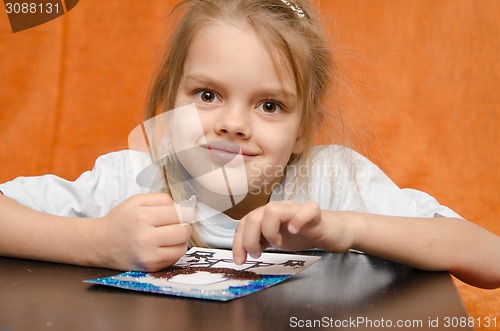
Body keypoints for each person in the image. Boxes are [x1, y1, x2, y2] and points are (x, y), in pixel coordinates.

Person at [0, 0, 498, 289]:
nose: (234, 124)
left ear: (305, 128)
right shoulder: (136, 179)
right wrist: (96, 243)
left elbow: (489, 259)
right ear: (169, 101)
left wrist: (345, 229)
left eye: (269, 106)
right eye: (208, 95)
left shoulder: (328, 181)